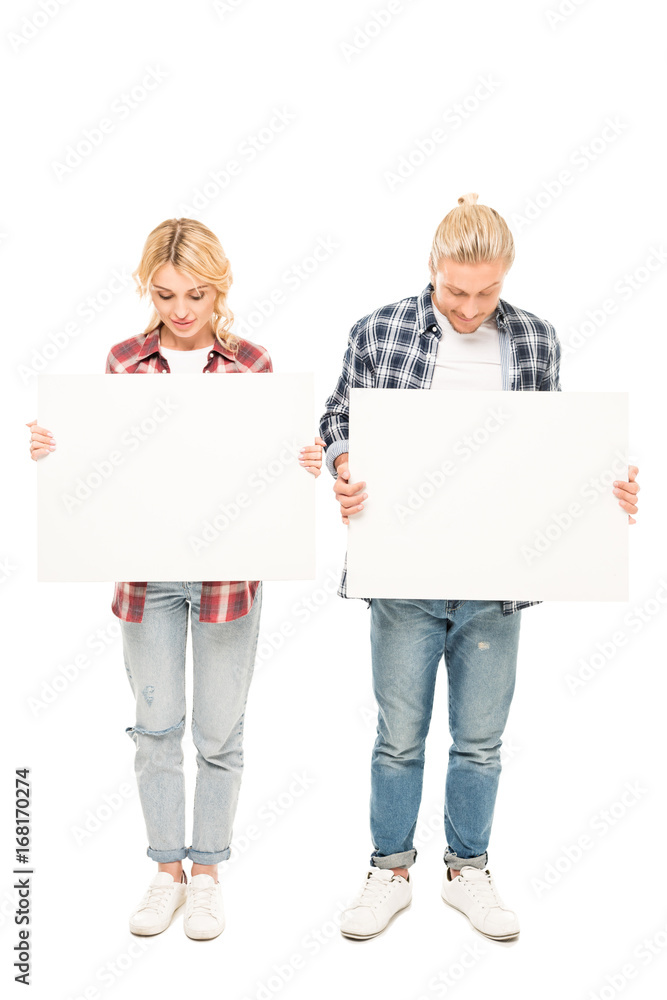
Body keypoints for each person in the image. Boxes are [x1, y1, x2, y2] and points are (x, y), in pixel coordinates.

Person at [319, 193, 640, 942]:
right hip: (402, 573)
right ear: (431, 269)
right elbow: (337, 418)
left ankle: (468, 871)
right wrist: (343, 464)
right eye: (453, 290)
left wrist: (605, 488)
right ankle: (388, 870)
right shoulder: (379, 329)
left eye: (485, 292)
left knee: (479, 741)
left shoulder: (533, 340)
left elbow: (551, 446)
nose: (467, 308)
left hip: (494, 578)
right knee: (398, 735)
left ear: (506, 278)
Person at [28, 218, 324, 941]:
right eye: (165, 295)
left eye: (196, 294)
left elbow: (262, 474)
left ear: (219, 289)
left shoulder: (252, 363)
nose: (182, 310)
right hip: (147, 579)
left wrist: (300, 467)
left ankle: (209, 875)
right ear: (146, 290)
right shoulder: (124, 361)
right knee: (156, 730)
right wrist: (57, 450)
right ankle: (166, 871)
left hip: (228, 579)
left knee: (219, 734)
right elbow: (104, 474)